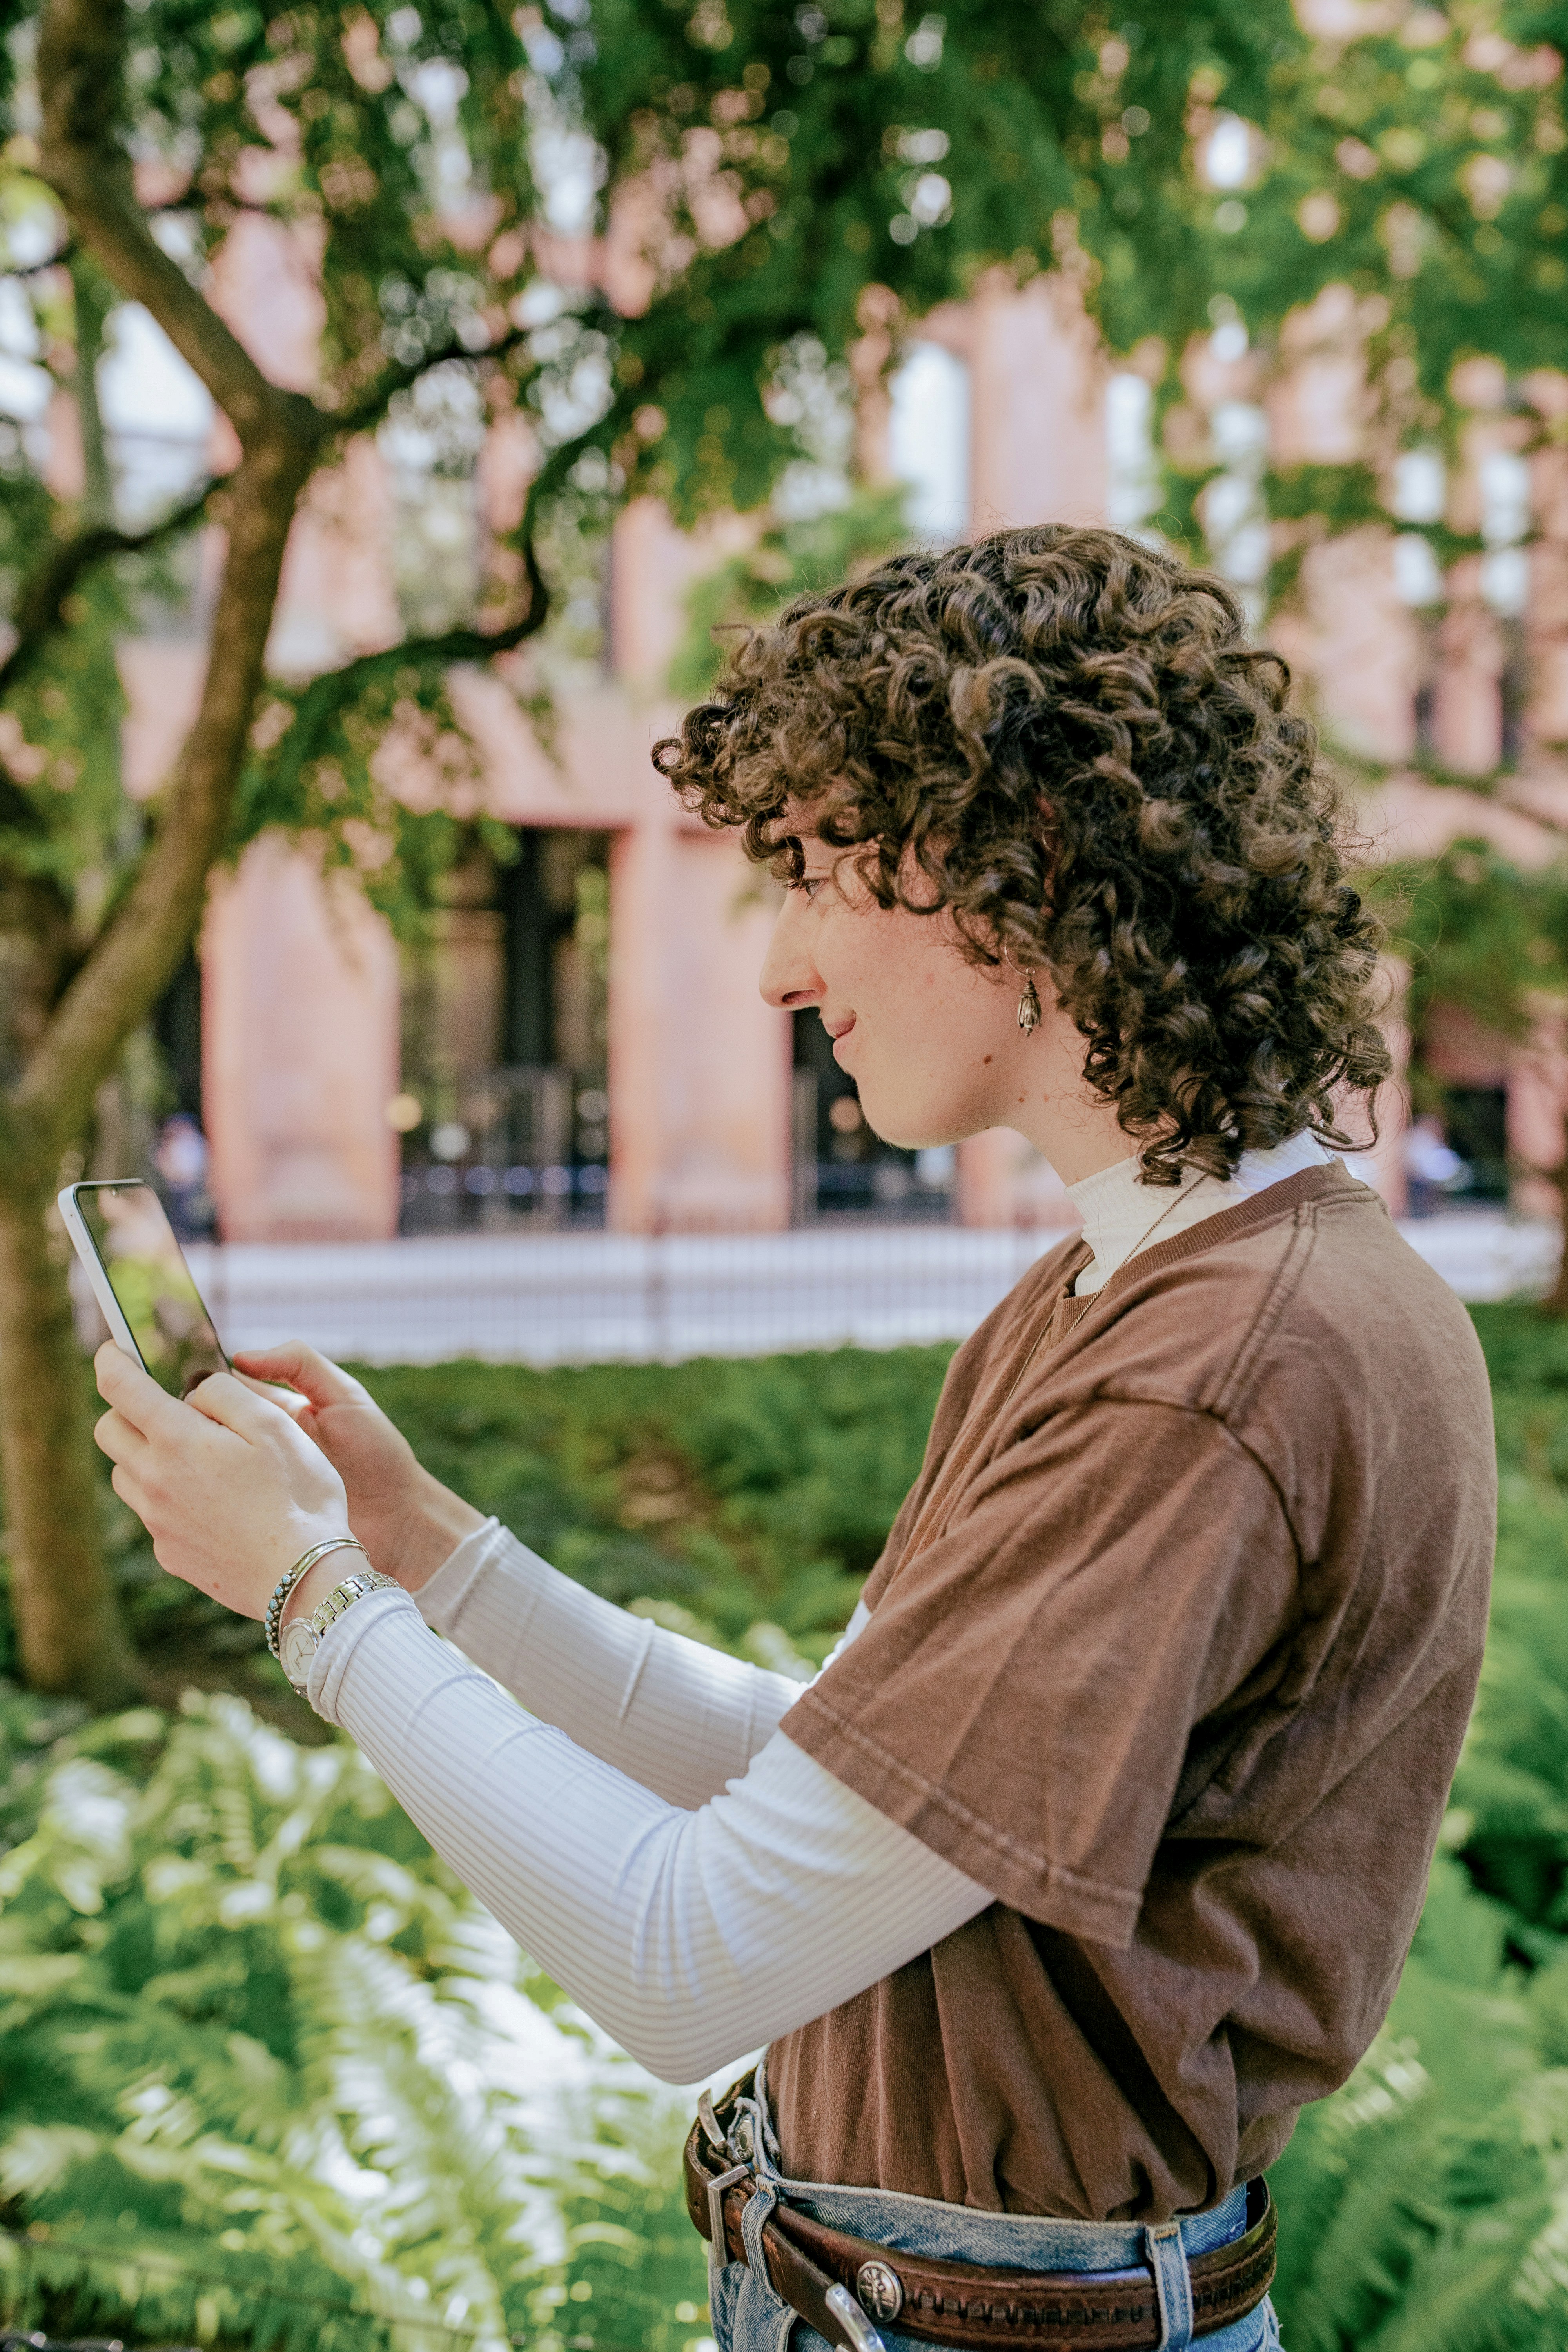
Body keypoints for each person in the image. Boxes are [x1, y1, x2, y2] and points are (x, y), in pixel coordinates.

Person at [94, 528, 1497, 2352]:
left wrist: (310, 1600)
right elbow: (833, 1788)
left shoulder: (1215, 1368)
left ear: (1028, 876)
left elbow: (688, 1962)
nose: (777, 966)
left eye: (826, 874)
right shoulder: (1134, 1290)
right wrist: (428, 1552)